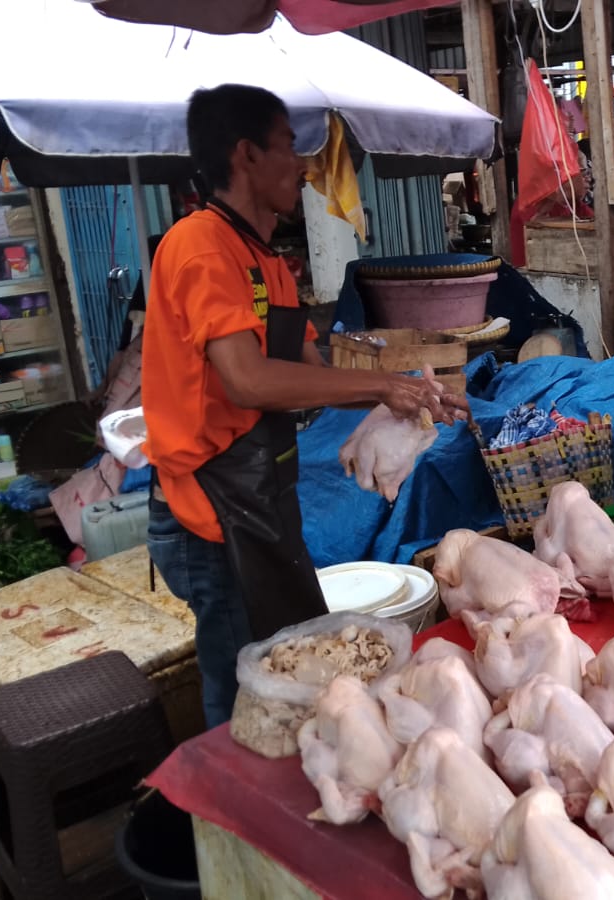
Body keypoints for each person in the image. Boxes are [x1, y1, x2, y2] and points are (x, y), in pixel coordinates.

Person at [141, 84, 467, 728]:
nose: (305, 165)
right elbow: (248, 382)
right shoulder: (199, 247)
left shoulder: (268, 262)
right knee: (243, 686)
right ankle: (226, 817)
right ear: (246, 155)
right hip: (209, 510)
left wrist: (405, 395)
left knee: (284, 664)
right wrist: (379, 388)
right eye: (290, 147)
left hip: (260, 497)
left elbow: (313, 373)